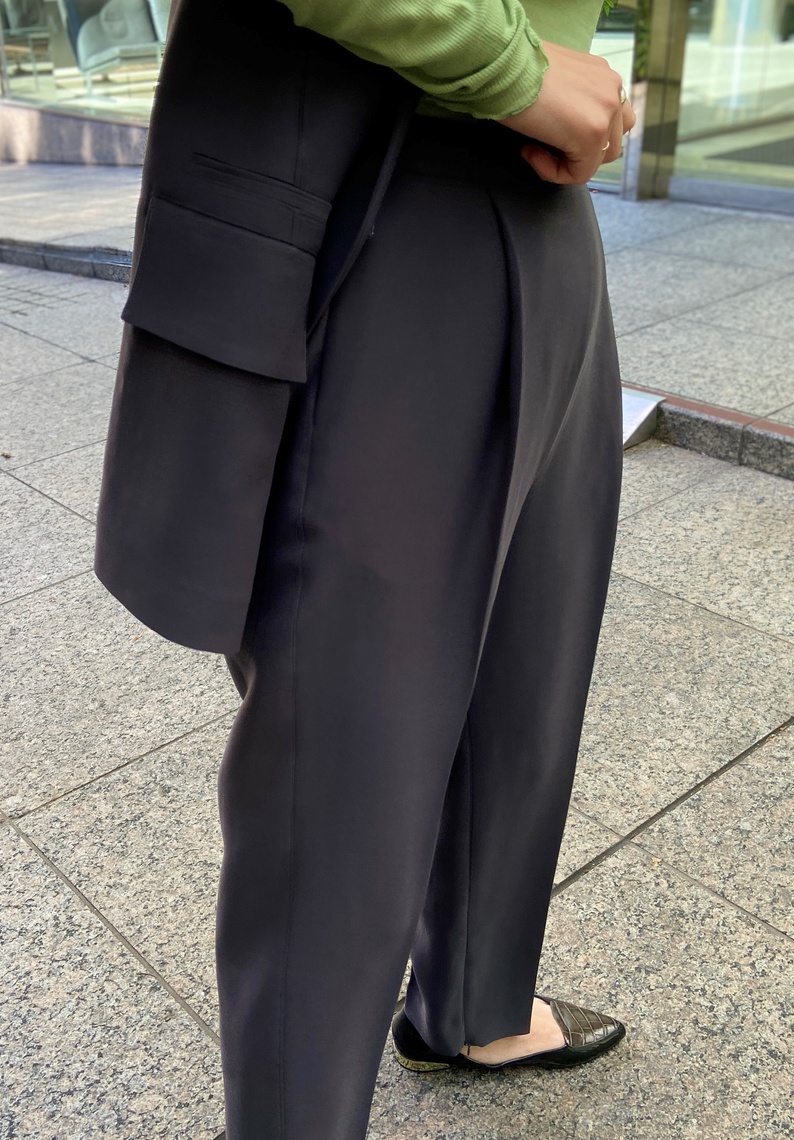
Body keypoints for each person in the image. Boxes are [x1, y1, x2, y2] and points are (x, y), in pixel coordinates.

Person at [95, 0, 636, 1136]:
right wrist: (510, 65)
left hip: (547, 195)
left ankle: (473, 1006)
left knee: (529, 670)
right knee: (348, 748)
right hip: (381, 178)